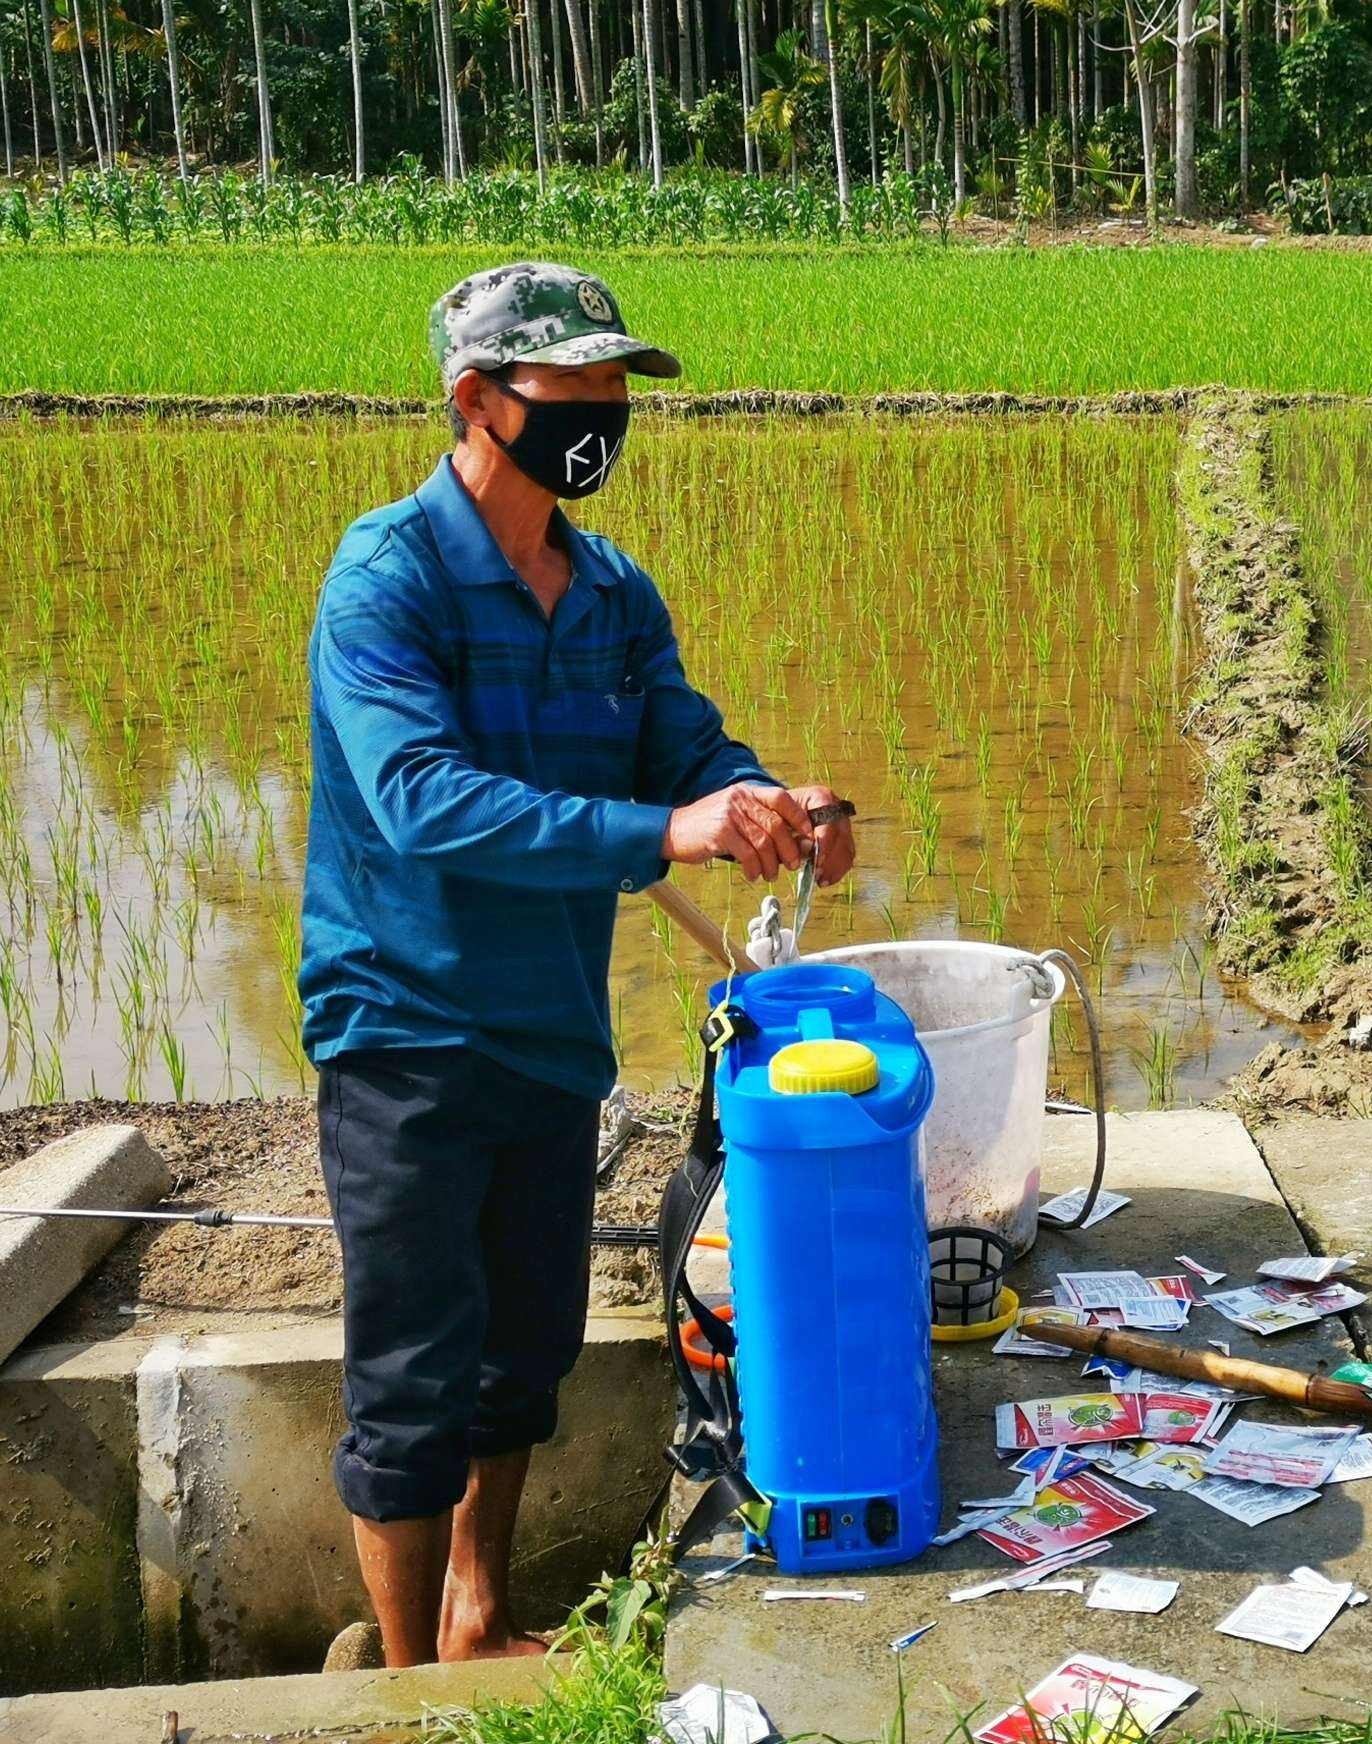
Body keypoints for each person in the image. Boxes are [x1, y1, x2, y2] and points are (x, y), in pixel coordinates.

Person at [298, 262, 854, 1665]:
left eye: (618, 387)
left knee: (524, 1355)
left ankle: (482, 1620)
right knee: (411, 1376)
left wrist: (772, 809)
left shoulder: (610, 590)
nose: (604, 412)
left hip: (547, 1024)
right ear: (478, 401)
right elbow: (419, 796)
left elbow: (688, 749)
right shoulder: (388, 579)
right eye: (574, 387)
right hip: (406, 1027)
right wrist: (667, 830)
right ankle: (410, 1679)